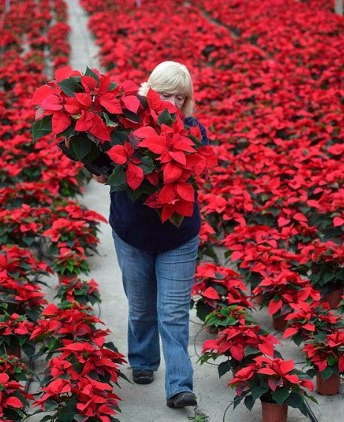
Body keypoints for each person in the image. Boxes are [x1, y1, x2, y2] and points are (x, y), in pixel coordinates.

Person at [96, 61, 209, 409]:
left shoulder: (193, 130)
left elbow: (190, 172)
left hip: (178, 237)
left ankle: (179, 385)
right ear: (149, 93)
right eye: (165, 95)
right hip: (132, 233)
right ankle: (143, 361)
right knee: (142, 306)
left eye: (180, 97)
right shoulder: (125, 128)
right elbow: (103, 175)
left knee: (173, 313)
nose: (173, 104)